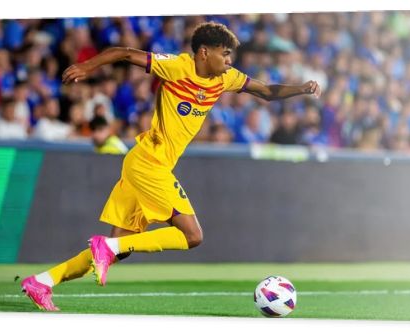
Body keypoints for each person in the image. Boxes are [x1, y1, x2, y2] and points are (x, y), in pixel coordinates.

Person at [20, 21, 321, 311]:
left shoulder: (224, 79)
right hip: (150, 163)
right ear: (204, 52)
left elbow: (266, 91)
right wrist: (87, 67)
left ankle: (42, 282)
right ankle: (106, 249)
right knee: (192, 236)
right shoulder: (177, 66)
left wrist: (302, 89)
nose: (230, 61)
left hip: (144, 164)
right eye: (225, 54)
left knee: (115, 249)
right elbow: (125, 52)